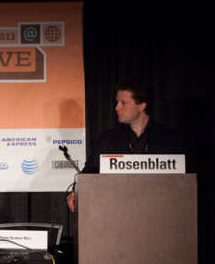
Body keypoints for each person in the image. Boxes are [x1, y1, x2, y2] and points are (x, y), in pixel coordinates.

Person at [67, 77, 184, 211]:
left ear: (142, 105)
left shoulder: (170, 138)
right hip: (116, 212)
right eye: (117, 102)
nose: (117, 108)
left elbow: (182, 182)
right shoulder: (107, 139)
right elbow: (90, 172)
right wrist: (77, 192)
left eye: (123, 103)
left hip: (160, 211)